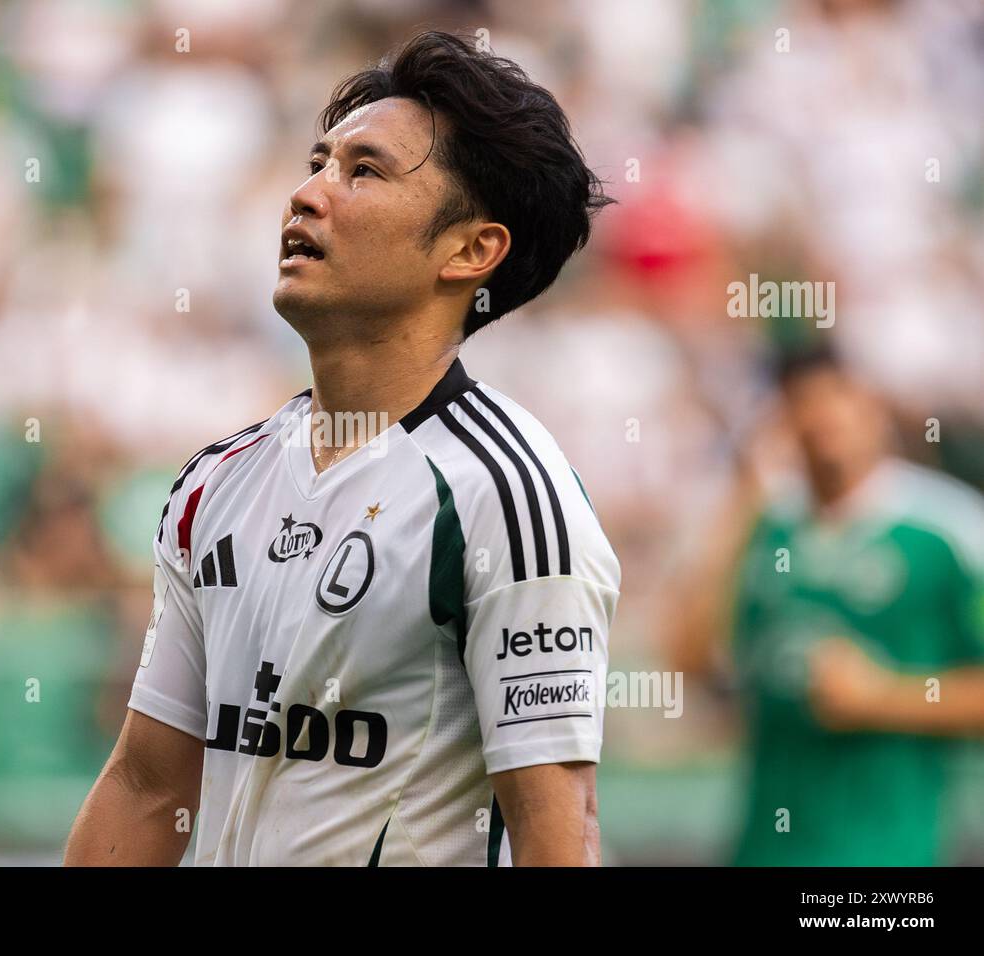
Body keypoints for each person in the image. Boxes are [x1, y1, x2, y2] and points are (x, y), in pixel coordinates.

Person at [66, 30, 619, 866]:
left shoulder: (505, 496)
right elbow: (148, 787)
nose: (306, 194)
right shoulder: (212, 486)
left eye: (364, 172)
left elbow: (559, 830)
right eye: (318, 162)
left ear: (472, 250)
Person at [671, 345, 984, 865]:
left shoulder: (948, 530)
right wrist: (741, 503)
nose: (821, 418)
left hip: (887, 848)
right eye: (800, 403)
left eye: (836, 398)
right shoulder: (765, 525)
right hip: (764, 842)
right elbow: (689, 660)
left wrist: (885, 697)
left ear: (873, 408)